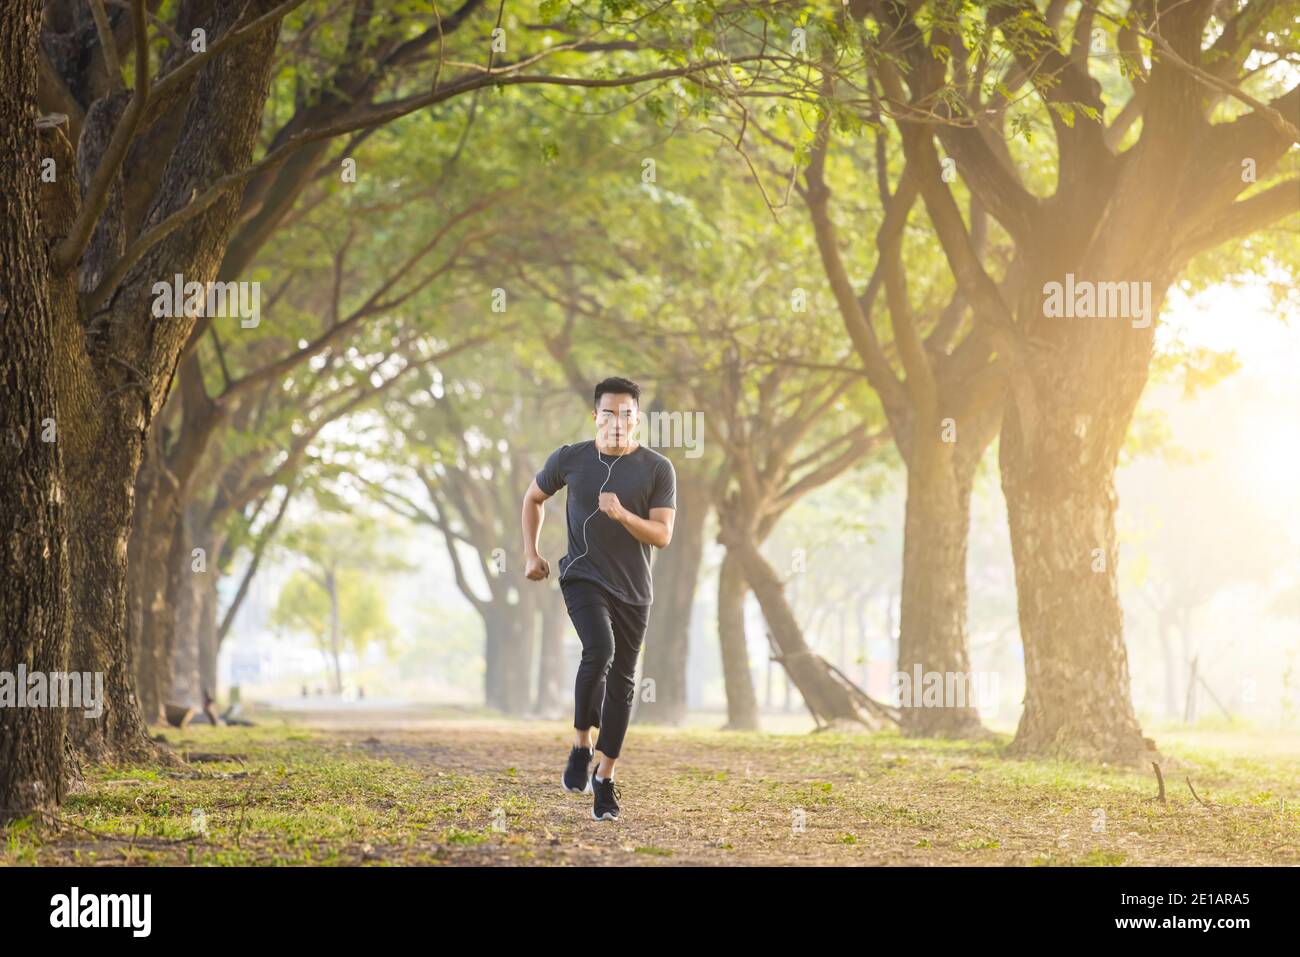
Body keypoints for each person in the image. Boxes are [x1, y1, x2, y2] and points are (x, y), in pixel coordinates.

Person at [521, 376, 676, 821]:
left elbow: (663, 536)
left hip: (634, 590)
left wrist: (624, 514)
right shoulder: (570, 459)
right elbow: (533, 499)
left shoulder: (656, 468)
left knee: (624, 682)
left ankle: (604, 777)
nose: (617, 421)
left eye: (627, 414)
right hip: (582, 577)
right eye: (608, 413)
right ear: (595, 416)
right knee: (600, 650)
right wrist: (531, 553)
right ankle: (579, 743)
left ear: (637, 420)